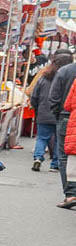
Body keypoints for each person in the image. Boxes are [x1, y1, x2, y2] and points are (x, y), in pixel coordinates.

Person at [27, 51, 71, 172]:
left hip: (43, 112)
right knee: (58, 139)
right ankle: (55, 164)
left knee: (41, 137)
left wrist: (36, 108)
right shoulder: (68, 79)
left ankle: (38, 157)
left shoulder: (44, 77)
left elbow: (34, 95)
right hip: (60, 113)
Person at [50, 52, 76, 209]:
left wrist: (58, 114)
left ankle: (70, 194)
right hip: (67, 116)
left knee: (65, 156)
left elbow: (55, 97)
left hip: (67, 118)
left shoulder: (64, 71)